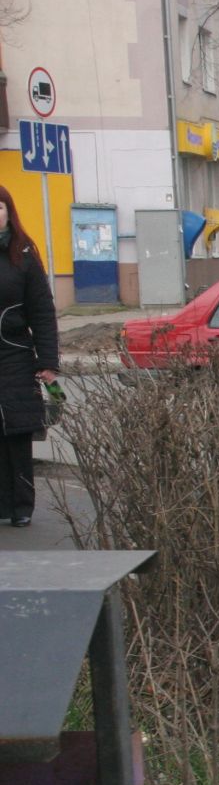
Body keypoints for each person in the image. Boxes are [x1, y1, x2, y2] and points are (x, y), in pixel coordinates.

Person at [0, 185, 58, 528]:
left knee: (18, 432)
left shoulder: (23, 253)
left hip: (16, 355)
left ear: (9, 212)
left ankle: (21, 506)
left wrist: (48, 363)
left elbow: (42, 312)